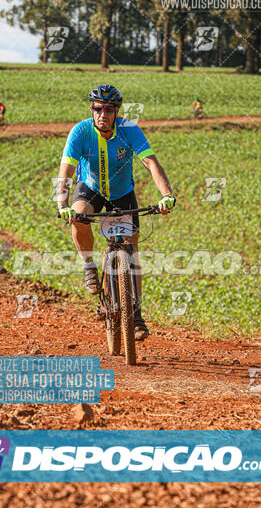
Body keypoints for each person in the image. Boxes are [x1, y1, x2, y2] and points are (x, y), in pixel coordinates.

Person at [57, 84, 175, 341]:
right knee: (79, 215)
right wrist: (62, 204)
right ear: (92, 109)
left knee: (132, 251)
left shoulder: (129, 130)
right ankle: (89, 266)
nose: (102, 114)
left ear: (116, 111)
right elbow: (66, 170)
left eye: (108, 109)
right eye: (97, 108)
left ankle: (137, 313)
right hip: (90, 189)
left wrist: (166, 195)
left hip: (122, 194)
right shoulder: (80, 131)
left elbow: (150, 162)